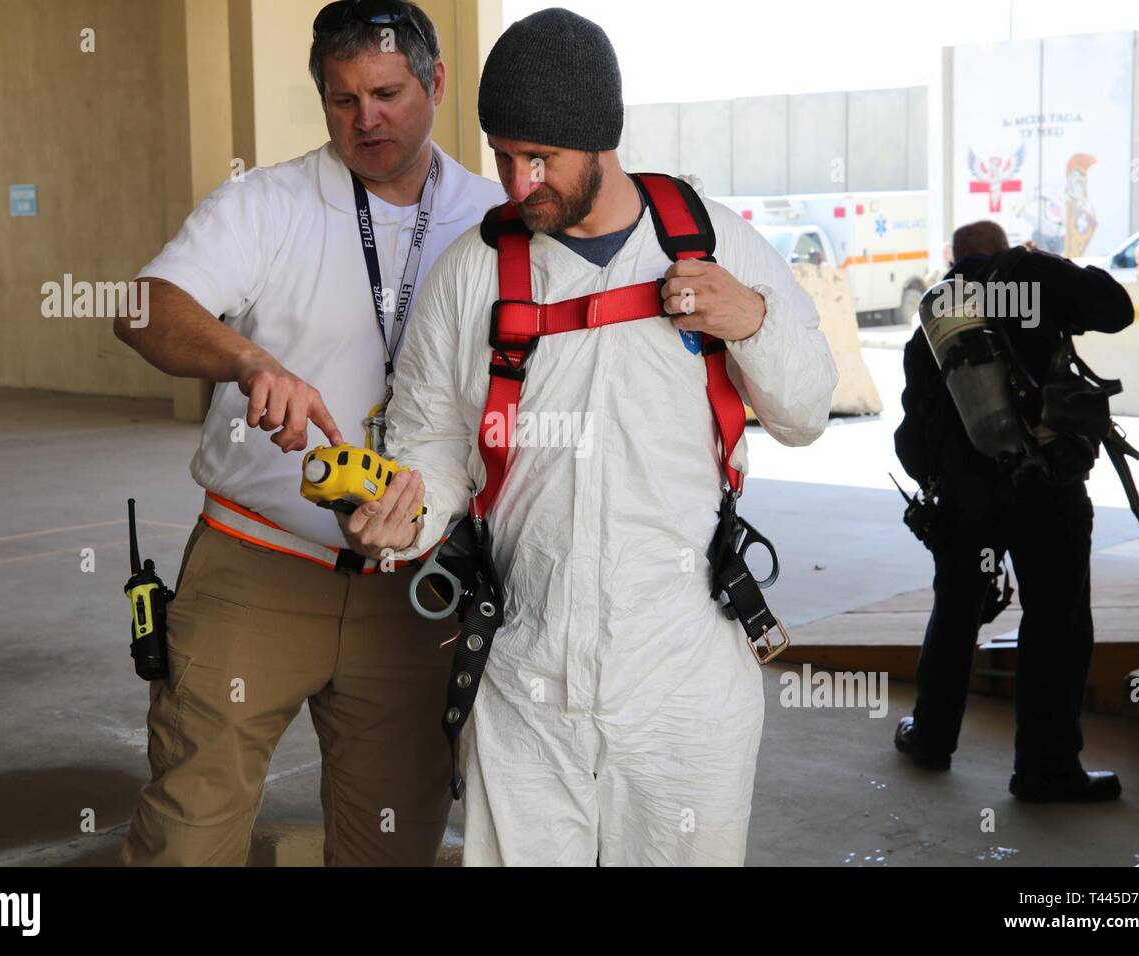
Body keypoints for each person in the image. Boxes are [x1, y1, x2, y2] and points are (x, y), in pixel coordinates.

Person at [339, 8, 837, 865]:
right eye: (501, 154)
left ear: (599, 140)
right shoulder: (472, 277)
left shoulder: (711, 243)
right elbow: (433, 445)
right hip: (525, 686)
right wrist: (406, 517)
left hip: (686, 684)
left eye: (541, 157)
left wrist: (749, 320)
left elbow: (807, 413)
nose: (517, 179)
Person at [113, 0, 503, 866]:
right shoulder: (266, 203)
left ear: (438, 83)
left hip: (415, 587)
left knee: (391, 842)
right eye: (342, 98)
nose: (366, 118)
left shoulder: (494, 218)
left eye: (389, 92)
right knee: (188, 829)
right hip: (255, 569)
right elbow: (142, 309)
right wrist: (249, 361)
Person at [893, 220, 1134, 802]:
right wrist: (1046, 260)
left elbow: (912, 437)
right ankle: (1046, 770)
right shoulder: (1035, 277)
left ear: (955, 259)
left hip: (965, 501)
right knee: (1056, 621)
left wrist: (949, 484)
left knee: (954, 612)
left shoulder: (935, 318)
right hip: (1046, 491)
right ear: (1003, 250)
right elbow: (1116, 307)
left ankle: (930, 739)